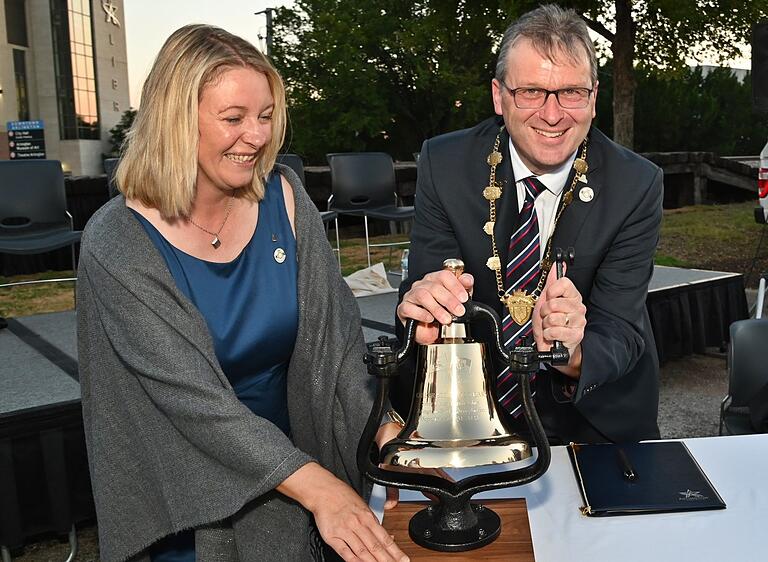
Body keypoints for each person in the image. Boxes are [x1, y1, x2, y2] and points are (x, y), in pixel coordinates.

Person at [77, 25, 407, 562]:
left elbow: (337, 344)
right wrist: (320, 488)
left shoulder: (286, 196)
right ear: (175, 120)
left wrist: (384, 428)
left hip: (299, 465)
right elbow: (192, 402)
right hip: (194, 494)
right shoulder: (117, 242)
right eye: (233, 119)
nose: (255, 136)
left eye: (265, 115)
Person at [394, 4, 663, 445]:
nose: (553, 115)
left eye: (572, 92)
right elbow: (426, 281)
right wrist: (426, 308)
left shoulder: (636, 183)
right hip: (466, 410)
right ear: (499, 96)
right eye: (532, 92)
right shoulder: (445, 164)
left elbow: (620, 326)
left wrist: (572, 352)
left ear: (594, 98)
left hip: (592, 419)